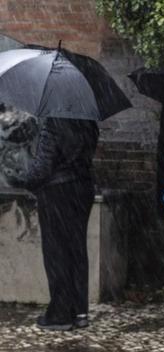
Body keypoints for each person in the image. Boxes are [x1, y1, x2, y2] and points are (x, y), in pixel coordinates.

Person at [6, 118, 98, 331]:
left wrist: (22, 179)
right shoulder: (88, 121)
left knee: (57, 252)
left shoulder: (54, 123)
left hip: (58, 192)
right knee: (76, 250)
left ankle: (60, 313)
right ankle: (79, 311)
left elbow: (43, 166)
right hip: (82, 188)